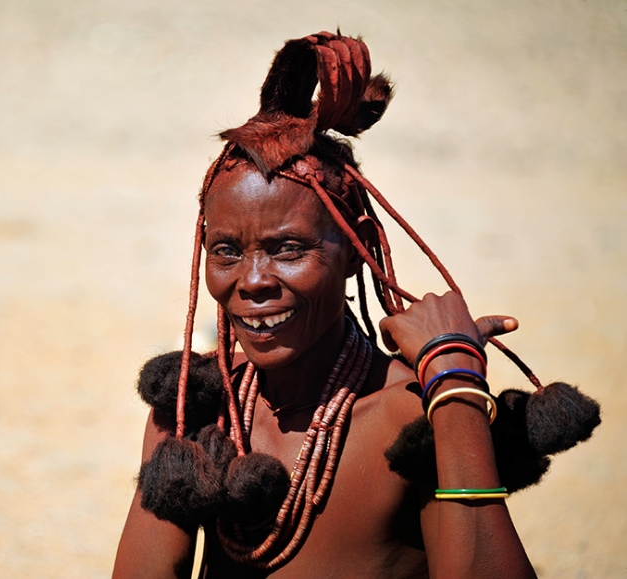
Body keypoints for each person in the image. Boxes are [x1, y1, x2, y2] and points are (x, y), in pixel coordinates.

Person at [113, 30, 599, 579]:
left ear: (357, 248)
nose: (251, 281)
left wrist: (456, 382)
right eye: (226, 251)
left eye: (289, 249)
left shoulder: (416, 415)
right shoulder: (195, 410)